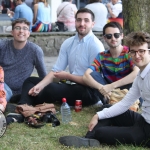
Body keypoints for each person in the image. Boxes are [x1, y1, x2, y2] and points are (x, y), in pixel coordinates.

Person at [59, 31, 150, 148]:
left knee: (101, 133)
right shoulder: (140, 75)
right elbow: (124, 104)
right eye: (133, 52)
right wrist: (98, 115)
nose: (137, 56)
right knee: (106, 110)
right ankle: (88, 139)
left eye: (141, 51)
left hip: (147, 132)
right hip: (142, 120)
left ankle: (92, 137)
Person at [17, 8, 105, 107]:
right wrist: (40, 85)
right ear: (75, 22)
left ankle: (23, 98)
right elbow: (56, 70)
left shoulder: (96, 45)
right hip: (71, 84)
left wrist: (68, 76)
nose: (82, 23)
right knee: (30, 81)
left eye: (86, 20)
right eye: (79, 20)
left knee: (52, 88)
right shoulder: (68, 43)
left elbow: (93, 81)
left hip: (89, 90)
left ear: (93, 24)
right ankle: (23, 105)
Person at [83, 21, 139, 104]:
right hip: (109, 93)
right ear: (104, 38)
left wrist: (112, 86)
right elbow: (85, 76)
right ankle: (112, 103)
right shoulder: (101, 56)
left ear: (121, 36)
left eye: (116, 35)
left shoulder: (129, 52)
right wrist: (102, 88)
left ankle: (120, 104)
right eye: (109, 36)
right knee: (93, 74)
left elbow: (137, 73)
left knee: (136, 79)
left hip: (127, 90)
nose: (113, 38)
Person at [0, 18, 46, 102]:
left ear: (28, 33)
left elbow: (43, 76)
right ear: (12, 32)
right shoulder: (3, 45)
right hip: (1, 85)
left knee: (6, 94)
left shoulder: (35, 51)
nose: (21, 31)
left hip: (17, 92)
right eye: (17, 28)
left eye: (25, 28)